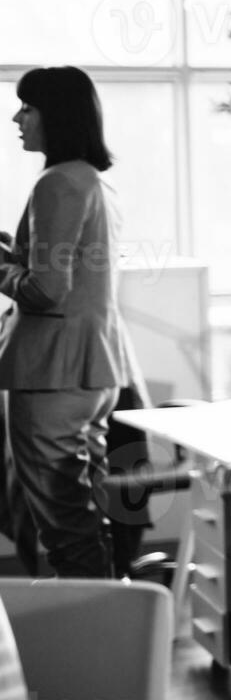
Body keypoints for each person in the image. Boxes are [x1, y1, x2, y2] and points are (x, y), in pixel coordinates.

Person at [0, 67, 135, 577]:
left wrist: (3, 270)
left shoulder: (56, 182)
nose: (17, 118)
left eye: (27, 108)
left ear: (54, 116)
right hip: (91, 371)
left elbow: (44, 290)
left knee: (65, 529)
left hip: (50, 376)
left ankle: (94, 646)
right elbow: (69, 276)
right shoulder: (95, 183)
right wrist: (15, 257)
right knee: (87, 516)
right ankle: (114, 634)